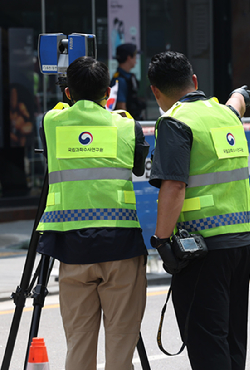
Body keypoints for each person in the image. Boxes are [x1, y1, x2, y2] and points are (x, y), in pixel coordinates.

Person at [36, 56, 149, 370]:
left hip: (72, 250)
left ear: (68, 92)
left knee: (79, 344)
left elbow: (61, 115)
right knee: (121, 344)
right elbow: (138, 167)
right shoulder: (128, 125)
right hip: (122, 248)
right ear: (108, 93)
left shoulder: (52, 122)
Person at [147, 51, 250, 370]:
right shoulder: (225, 115)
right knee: (233, 338)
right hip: (243, 242)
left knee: (207, 342)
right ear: (194, 81)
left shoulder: (175, 121)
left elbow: (173, 186)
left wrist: (162, 242)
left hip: (203, 249)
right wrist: (240, 94)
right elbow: (236, 105)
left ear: (155, 91)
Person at [111, 43, 146, 119]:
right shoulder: (120, 80)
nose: (136, 60)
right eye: (135, 57)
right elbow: (121, 108)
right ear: (129, 58)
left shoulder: (129, 77)